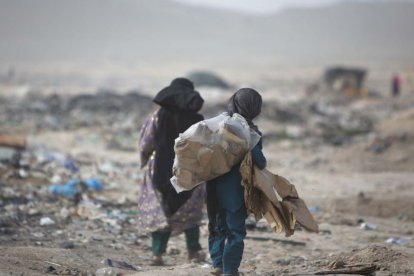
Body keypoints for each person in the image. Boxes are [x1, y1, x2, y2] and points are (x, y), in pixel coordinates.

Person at [138, 78, 206, 265]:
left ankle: (157, 254)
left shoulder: (158, 116)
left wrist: (144, 160)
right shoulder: (198, 120)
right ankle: (193, 252)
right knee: (190, 213)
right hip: (190, 174)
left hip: (159, 170)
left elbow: (146, 142)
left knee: (162, 210)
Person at [207, 88, 267, 276]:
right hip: (235, 191)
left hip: (213, 187)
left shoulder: (219, 126)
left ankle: (217, 264)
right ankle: (230, 270)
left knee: (217, 226)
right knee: (235, 231)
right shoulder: (251, 132)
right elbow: (260, 162)